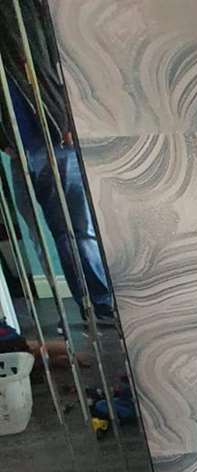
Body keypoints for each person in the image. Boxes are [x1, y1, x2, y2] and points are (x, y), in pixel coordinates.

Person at [0, 0, 112, 324]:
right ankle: (89, 307)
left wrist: (70, 120)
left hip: (57, 138)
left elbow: (65, 62)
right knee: (55, 235)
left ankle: (104, 303)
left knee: (82, 229)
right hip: (21, 151)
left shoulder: (26, 14)